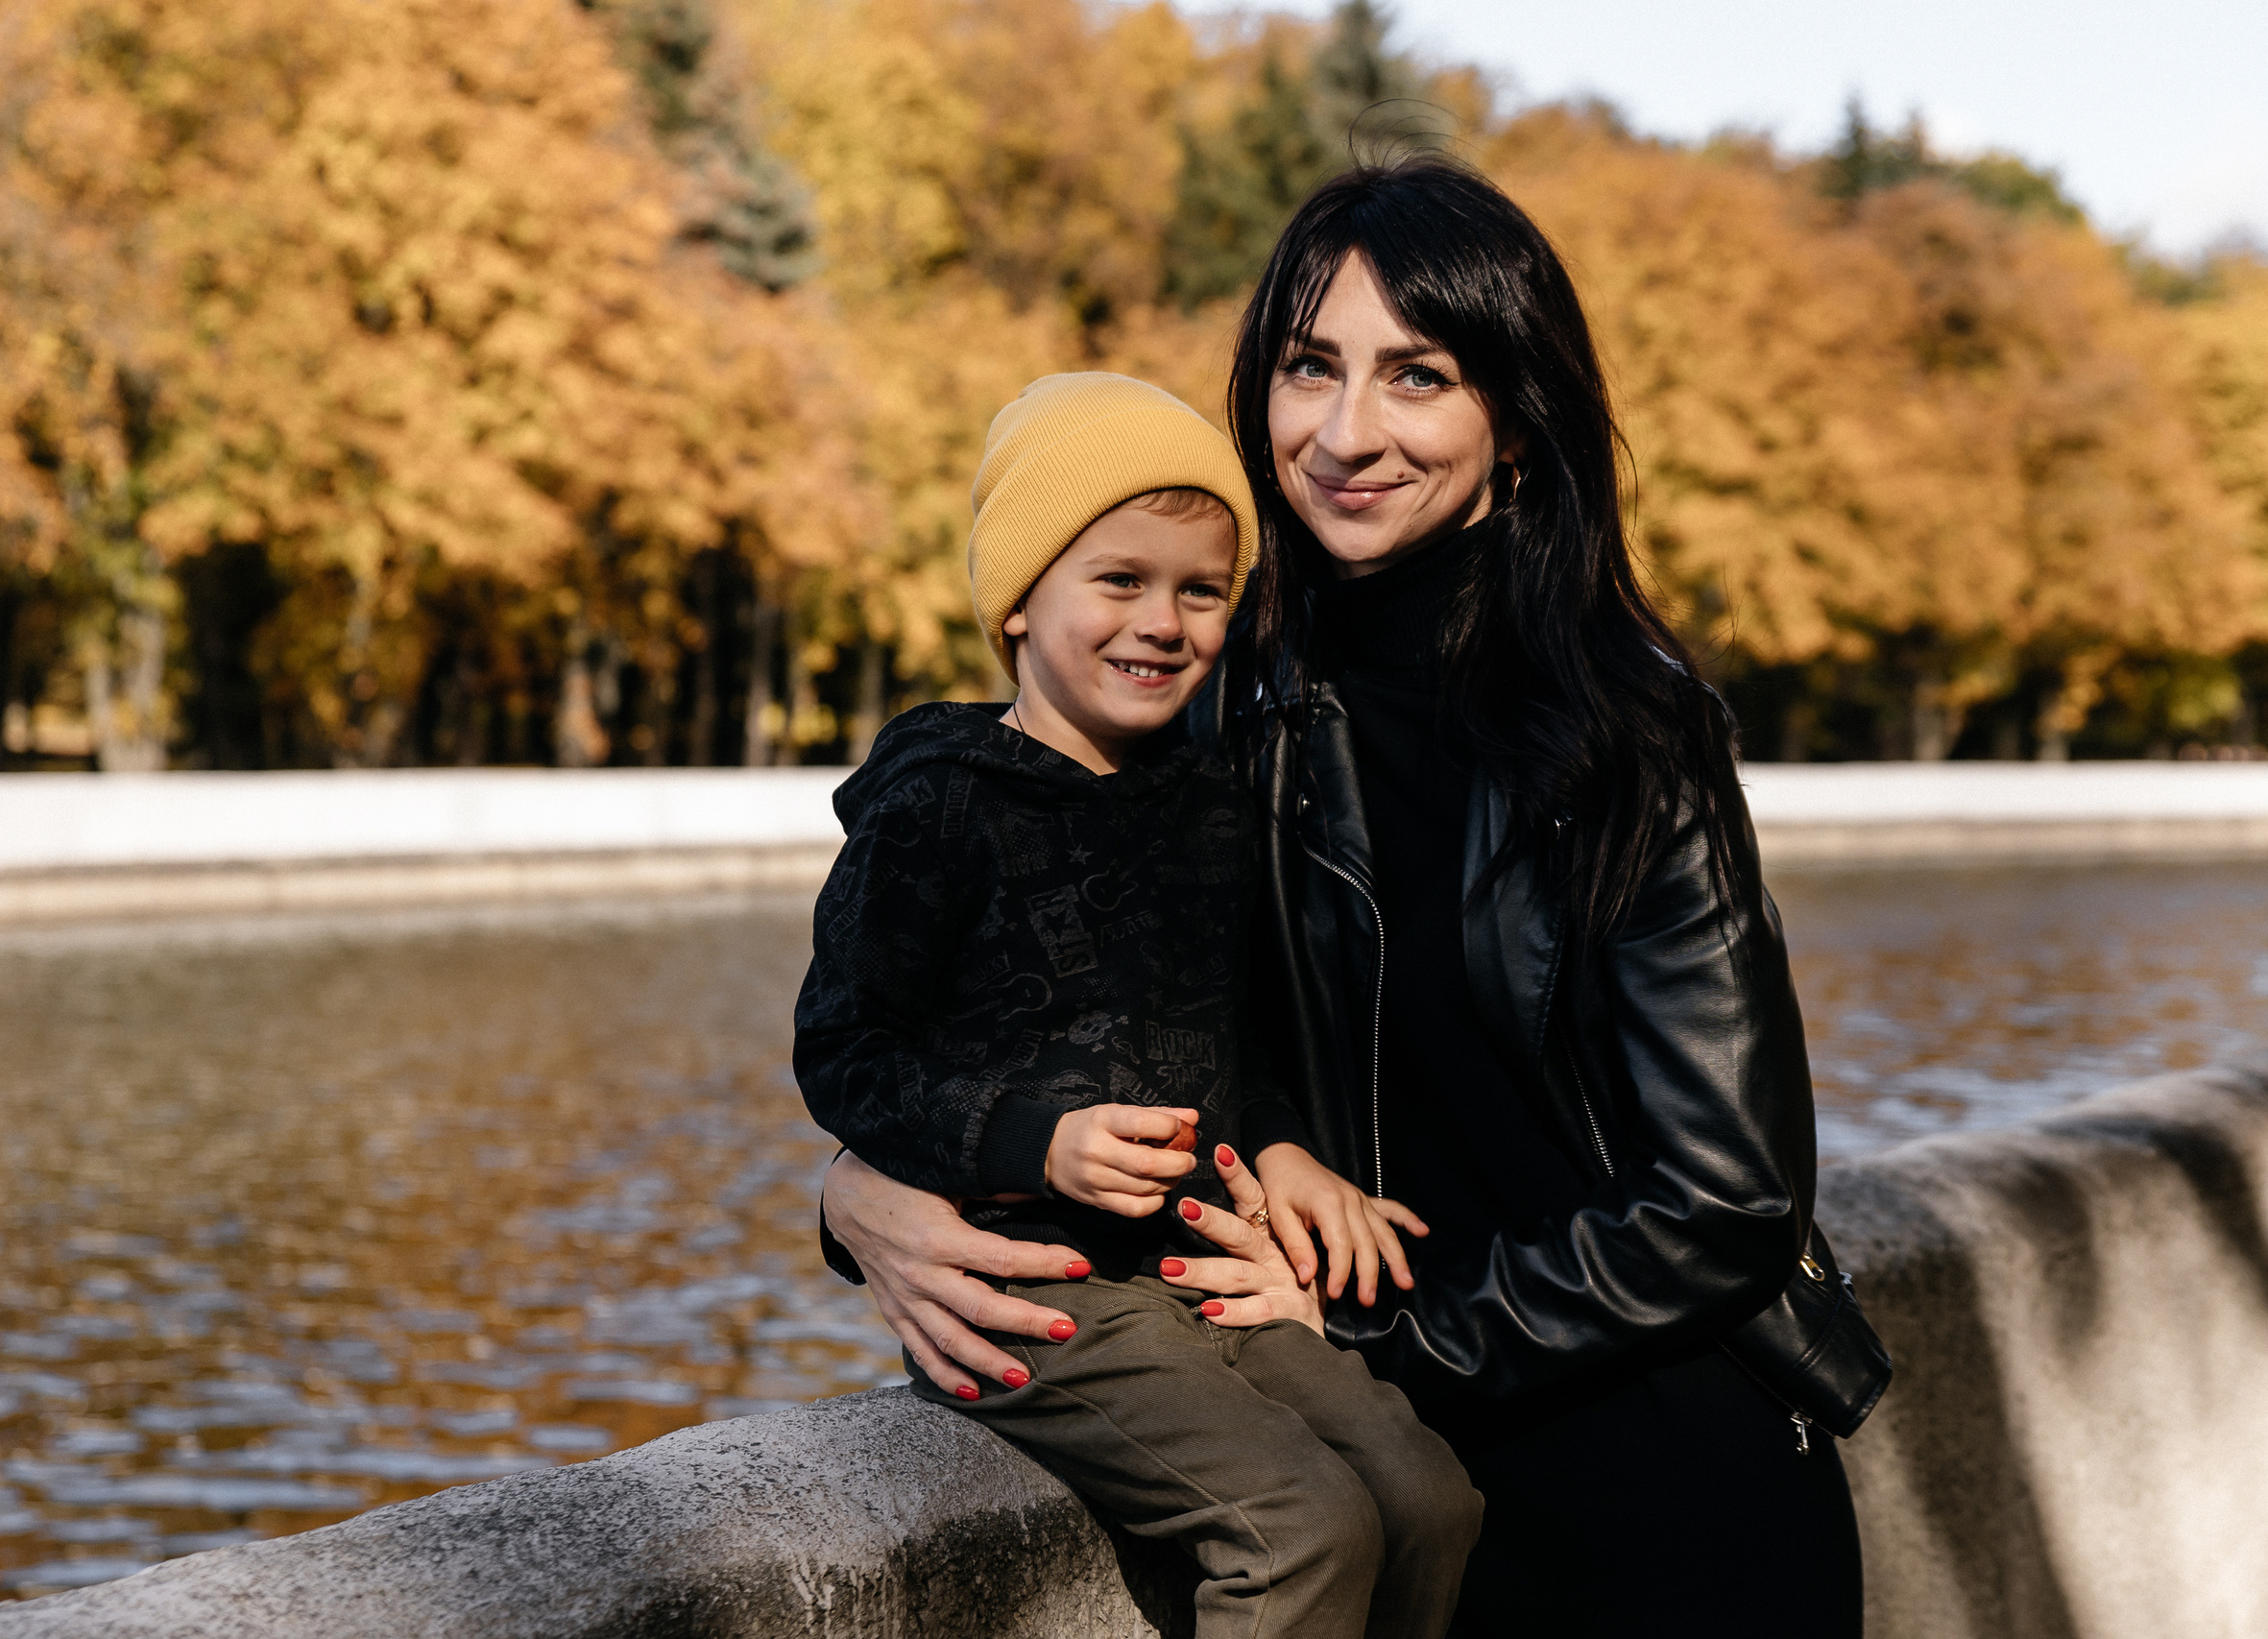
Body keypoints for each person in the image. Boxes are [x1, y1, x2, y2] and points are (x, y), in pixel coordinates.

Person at [819, 162, 1865, 1638]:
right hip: (1371, 1463)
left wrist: (1394, 1331)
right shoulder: (1205, 706)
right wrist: (863, 1193)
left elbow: (1731, 1200)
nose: (1346, 432)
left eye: (1417, 375)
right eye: (1311, 367)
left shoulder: (1631, 733)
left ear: (1516, 422)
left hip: (1646, 1492)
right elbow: (1006, 1007)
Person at [794, 372, 1484, 1639]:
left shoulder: (1211, 802)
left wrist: (1283, 1153)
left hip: (1201, 1263)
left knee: (1428, 1498)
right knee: (1302, 1527)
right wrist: (1036, 1142)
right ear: (1016, 603)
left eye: (1200, 589)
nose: (1163, 621)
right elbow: (845, 1056)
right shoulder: (939, 803)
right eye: (1119, 581)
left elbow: (1232, 1048)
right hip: (1040, 1289)